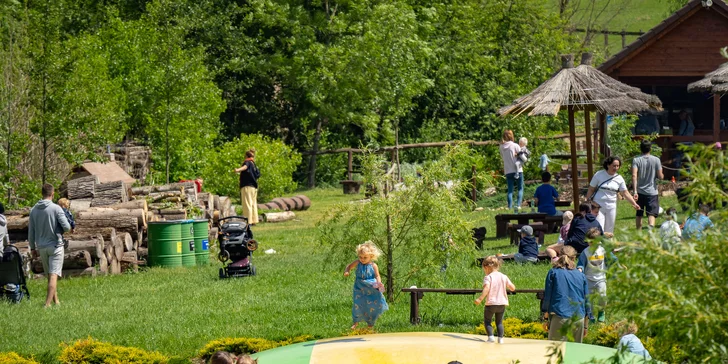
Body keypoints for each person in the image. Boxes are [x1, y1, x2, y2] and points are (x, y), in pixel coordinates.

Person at [28, 183, 70, 307]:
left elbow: (31, 232)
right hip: (56, 246)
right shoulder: (56, 208)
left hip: (41, 247)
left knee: (50, 275)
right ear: (52, 194)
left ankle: (56, 301)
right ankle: (46, 305)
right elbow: (67, 227)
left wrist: (32, 248)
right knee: (53, 275)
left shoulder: (34, 210)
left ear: (42, 193)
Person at [541, 245, 589, 343]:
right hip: (578, 318)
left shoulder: (553, 272)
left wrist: (546, 318)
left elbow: (548, 297)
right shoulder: (581, 275)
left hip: (559, 317)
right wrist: (586, 325)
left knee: (555, 353)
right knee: (574, 354)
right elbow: (587, 300)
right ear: (574, 258)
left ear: (559, 256)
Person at [586, 156, 640, 233]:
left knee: (609, 229)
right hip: (598, 205)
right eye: (614, 165)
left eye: (617, 166)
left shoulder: (619, 178)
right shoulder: (599, 174)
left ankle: (608, 244)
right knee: (598, 227)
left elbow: (625, 192)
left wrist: (634, 204)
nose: (616, 168)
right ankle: (598, 244)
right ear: (608, 165)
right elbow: (591, 189)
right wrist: (588, 202)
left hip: (611, 206)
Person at [343, 241, 388, 329]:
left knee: (372, 305)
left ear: (371, 256)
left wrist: (379, 283)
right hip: (359, 288)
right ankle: (356, 322)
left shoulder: (373, 265)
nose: (362, 259)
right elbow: (349, 266)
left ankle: (370, 323)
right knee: (358, 303)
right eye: (360, 257)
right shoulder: (357, 263)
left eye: (365, 257)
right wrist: (347, 271)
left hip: (371, 287)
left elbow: (377, 275)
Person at [577, 228, 616, 323]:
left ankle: (601, 313)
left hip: (601, 278)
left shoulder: (603, 250)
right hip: (588, 279)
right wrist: (580, 268)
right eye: (589, 242)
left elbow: (612, 259)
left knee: (603, 296)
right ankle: (590, 316)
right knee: (589, 300)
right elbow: (581, 263)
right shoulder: (585, 252)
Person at [474, 256, 515, 344]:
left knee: (487, 320)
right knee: (499, 322)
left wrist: (480, 298)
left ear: (486, 267)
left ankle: (491, 337)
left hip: (491, 303)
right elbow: (512, 288)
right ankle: (500, 339)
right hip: (502, 303)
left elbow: (487, 288)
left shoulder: (488, 277)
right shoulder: (504, 276)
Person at [631, 140, 664, 230]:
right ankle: (650, 232)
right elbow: (660, 176)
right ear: (650, 148)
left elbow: (634, 175)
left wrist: (635, 191)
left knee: (639, 213)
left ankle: (639, 233)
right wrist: (661, 175)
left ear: (640, 148)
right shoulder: (656, 160)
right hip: (652, 192)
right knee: (651, 213)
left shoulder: (636, 160)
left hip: (640, 191)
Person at [499, 130, 523, 210]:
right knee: (520, 188)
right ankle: (519, 205)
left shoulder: (501, 147)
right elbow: (522, 156)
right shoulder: (515, 145)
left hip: (508, 170)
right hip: (517, 169)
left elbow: (503, 158)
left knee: (510, 190)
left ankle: (509, 206)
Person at [235, 149, 260, 225]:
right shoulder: (254, 164)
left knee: (247, 204)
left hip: (247, 186)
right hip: (253, 187)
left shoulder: (247, 162)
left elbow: (245, 167)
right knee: (253, 204)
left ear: (246, 156)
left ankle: (248, 221)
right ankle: (254, 220)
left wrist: (238, 170)